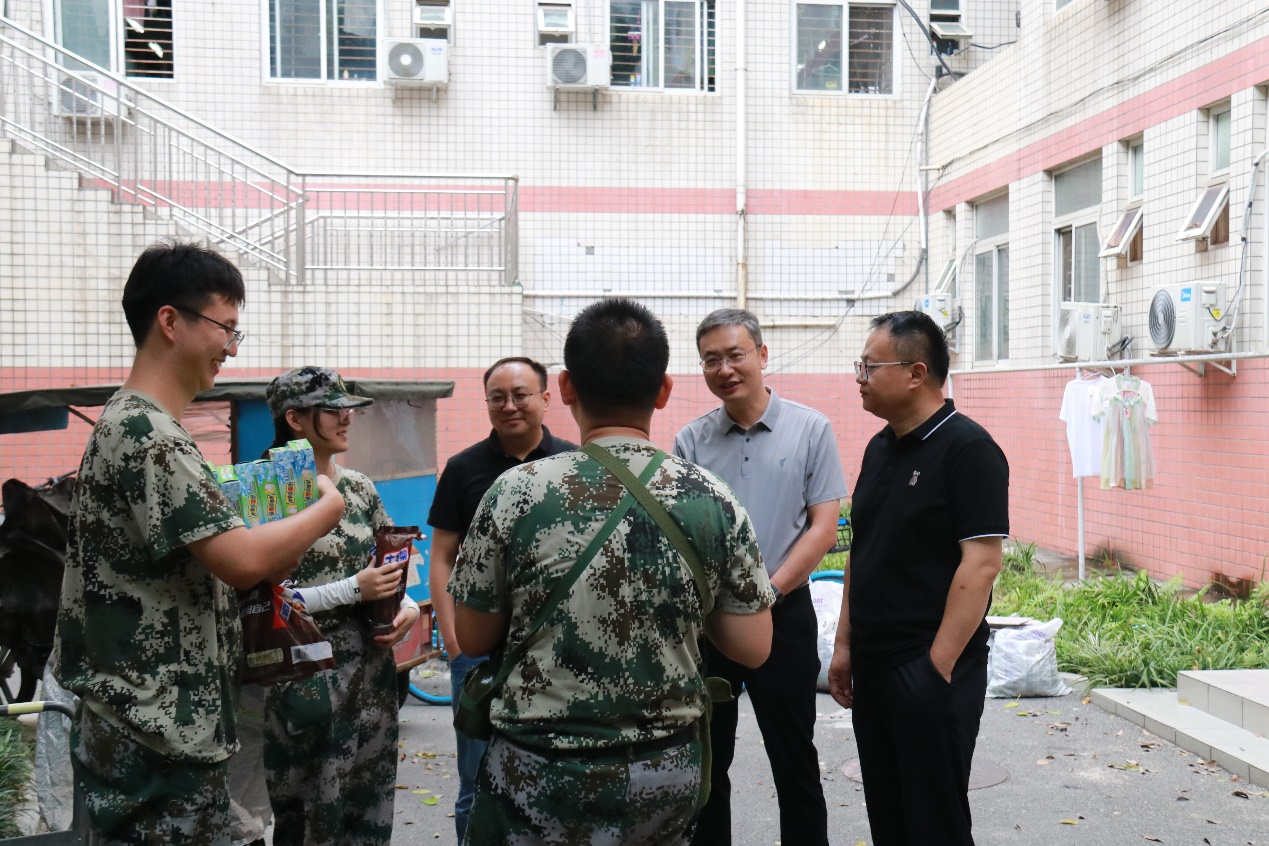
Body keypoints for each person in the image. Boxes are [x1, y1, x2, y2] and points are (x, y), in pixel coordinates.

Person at [450, 298, 774, 845]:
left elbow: (474, 637)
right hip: (663, 771)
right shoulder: (711, 499)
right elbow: (754, 646)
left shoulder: (514, 493)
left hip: (538, 769)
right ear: (663, 390)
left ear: (565, 387)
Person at [53, 242, 346, 844]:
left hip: (155, 725)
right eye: (225, 328)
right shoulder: (147, 432)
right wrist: (328, 507)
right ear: (170, 321)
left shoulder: (141, 425)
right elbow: (240, 560)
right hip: (154, 732)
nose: (231, 348)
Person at [828, 311, 1009, 846]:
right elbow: (864, 550)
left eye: (870, 366)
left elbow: (982, 563)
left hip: (929, 665)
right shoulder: (880, 447)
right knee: (888, 816)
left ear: (916, 373)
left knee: (934, 823)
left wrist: (936, 669)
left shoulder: (969, 449)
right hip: (875, 664)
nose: (859, 377)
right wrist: (844, 645)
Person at [675, 308, 845, 846]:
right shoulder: (691, 441)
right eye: (711, 360)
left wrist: (768, 593)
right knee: (708, 761)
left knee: (794, 758)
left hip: (784, 612)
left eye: (735, 355)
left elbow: (823, 527)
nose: (725, 369)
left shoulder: (811, 428)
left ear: (763, 355)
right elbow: (683, 534)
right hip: (711, 624)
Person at [259, 366, 421, 846]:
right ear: (294, 419)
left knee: (368, 815)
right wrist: (352, 589)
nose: (347, 418)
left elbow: (390, 565)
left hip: (370, 678)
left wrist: (407, 607)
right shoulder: (266, 491)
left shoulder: (359, 487)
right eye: (333, 410)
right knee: (312, 820)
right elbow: (255, 600)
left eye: (349, 409)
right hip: (306, 680)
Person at [426, 356, 577, 844]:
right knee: (475, 781)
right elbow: (442, 555)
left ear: (546, 398)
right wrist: (454, 641)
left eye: (521, 395)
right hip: (477, 649)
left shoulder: (573, 463)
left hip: (553, 653)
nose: (509, 406)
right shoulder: (463, 468)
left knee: (555, 775)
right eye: (497, 397)